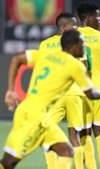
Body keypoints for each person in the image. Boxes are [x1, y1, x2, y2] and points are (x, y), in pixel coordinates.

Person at [0, 30, 100, 169]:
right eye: (82, 43)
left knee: (66, 152)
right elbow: (91, 94)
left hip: (36, 114)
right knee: (9, 162)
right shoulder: (74, 65)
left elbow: (17, 59)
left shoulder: (47, 54)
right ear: (73, 46)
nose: (84, 47)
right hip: (35, 118)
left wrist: (11, 90)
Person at [39, 12, 86, 169]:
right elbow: (84, 68)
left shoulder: (45, 45)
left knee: (48, 134)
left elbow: (41, 71)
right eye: (74, 24)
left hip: (55, 95)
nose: (77, 27)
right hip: (75, 92)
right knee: (75, 135)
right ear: (64, 26)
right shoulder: (77, 43)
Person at [76, 3, 100, 169]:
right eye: (97, 16)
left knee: (83, 132)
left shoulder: (72, 35)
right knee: (99, 131)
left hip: (80, 89)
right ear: (86, 18)